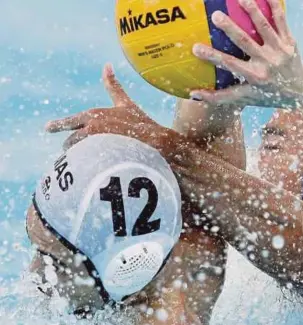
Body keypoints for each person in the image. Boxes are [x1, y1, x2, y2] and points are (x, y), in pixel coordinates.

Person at [45, 0, 303, 314]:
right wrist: (232, 88)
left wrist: (161, 144)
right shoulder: (252, 261)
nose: (258, 161)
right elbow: (211, 181)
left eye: (273, 143)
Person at [26, 69, 236, 325]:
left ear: (121, 269)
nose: (36, 275)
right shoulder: (189, 263)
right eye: (38, 252)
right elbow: (212, 140)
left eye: (55, 264)